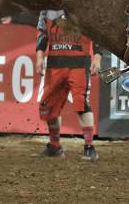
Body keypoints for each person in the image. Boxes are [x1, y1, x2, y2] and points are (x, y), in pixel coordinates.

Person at [36, 10, 101, 161]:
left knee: (81, 103)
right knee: (49, 106)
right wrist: (39, 57)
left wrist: (97, 58)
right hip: (55, 64)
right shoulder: (47, 8)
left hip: (78, 63)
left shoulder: (83, 3)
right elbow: (42, 33)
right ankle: (55, 146)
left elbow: (96, 33)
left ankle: (89, 147)